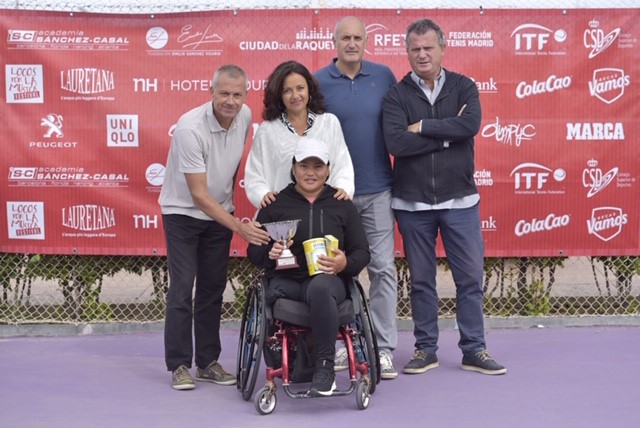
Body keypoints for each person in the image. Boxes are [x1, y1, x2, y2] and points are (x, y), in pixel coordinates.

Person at [382, 19, 506, 376]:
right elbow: (396, 143)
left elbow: (470, 126)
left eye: (428, 48)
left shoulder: (464, 86)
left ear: (442, 47)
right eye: (415, 49)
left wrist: (422, 126)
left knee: (469, 279)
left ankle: (474, 349)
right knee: (421, 281)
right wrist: (448, 133)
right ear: (407, 51)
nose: (422, 54)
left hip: (460, 202)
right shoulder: (397, 94)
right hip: (412, 204)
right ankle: (425, 349)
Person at [159, 64, 271, 391]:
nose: (230, 101)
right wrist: (240, 227)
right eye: (224, 93)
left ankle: (207, 362)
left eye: (237, 95)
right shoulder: (188, 129)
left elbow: (230, 171)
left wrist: (230, 212)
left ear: (245, 96)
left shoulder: (247, 116)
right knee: (182, 288)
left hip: (219, 214)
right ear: (211, 93)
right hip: (182, 214)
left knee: (212, 289)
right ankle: (179, 364)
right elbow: (198, 196)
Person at [247, 138, 370, 396]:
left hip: (328, 283)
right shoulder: (274, 204)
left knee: (321, 287)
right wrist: (271, 254)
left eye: (317, 166)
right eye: (304, 165)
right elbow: (254, 253)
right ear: (293, 168)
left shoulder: (342, 204)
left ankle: (325, 366)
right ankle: (280, 350)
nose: (310, 172)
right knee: (273, 291)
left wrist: (344, 262)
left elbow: (363, 253)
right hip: (288, 283)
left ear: (328, 169)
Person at [315, 16, 400, 380]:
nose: (351, 43)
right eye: (345, 38)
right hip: (333, 196)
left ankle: (382, 349)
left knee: (382, 268)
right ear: (334, 42)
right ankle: (341, 344)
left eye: (357, 38)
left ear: (367, 41)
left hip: (379, 189)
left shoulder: (384, 77)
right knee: (333, 270)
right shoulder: (318, 82)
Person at [244, 60, 355, 209]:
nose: (295, 95)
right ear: (279, 95)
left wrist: (343, 188)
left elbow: (342, 164)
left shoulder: (329, 123)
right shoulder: (267, 130)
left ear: (309, 90)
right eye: (287, 90)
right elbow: (255, 173)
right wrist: (262, 194)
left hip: (324, 212)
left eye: (300, 88)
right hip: (281, 214)